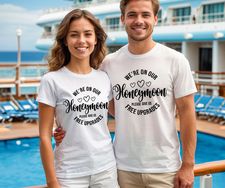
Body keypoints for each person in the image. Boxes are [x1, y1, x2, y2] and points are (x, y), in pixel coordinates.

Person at [55, 0, 197, 187]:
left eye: (145, 15)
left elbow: (187, 113)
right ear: (123, 19)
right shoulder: (109, 63)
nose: (139, 20)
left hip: (165, 168)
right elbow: (98, 104)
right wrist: (62, 128)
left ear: (155, 18)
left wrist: (188, 164)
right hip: (121, 169)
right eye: (132, 15)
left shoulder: (176, 60)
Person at [38, 9, 119, 188]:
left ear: (96, 39)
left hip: (106, 169)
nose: (81, 41)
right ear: (65, 40)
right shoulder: (51, 80)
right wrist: (52, 181)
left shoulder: (104, 77)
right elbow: (44, 136)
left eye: (88, 34)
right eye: (74, 35)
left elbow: (121, 115)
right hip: (69, 173)